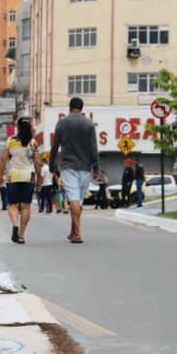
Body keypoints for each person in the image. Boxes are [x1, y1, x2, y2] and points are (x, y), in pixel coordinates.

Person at [48, 97, 100, 244]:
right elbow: (93, 147)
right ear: (81, 108)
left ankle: (77, 233)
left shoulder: (62, 122)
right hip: (85, 168)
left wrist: (52, 165)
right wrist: (96, 167)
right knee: (78, 200)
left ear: (70, 108)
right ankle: (74, 231)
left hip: (68, 167)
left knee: (74, 199)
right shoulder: (89, 123)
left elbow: (55, 146)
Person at [0, 117, 43, 245]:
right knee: (25, 206)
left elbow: (3, 159)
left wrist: (1, 175)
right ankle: (21, 236)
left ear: (17, 127)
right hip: (29, 175)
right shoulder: (33, 143)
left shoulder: (11, 141)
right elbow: (38, 163)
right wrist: (39, 179)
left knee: (13, 205)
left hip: (13, 175)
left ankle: (15, 224)